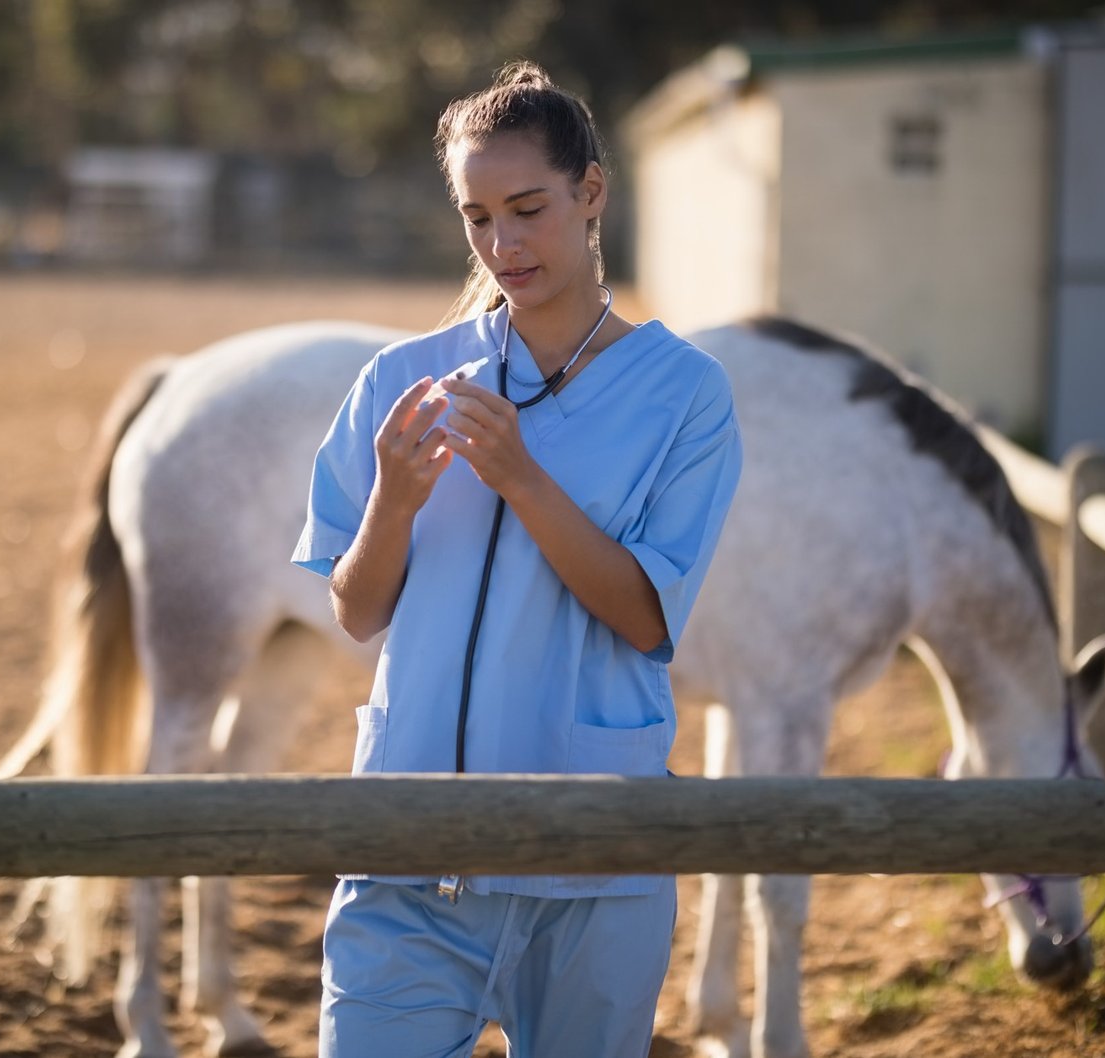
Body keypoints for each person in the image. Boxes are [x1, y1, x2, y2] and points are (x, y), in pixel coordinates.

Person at [291, 60, 743, 1058]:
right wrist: (395, 503)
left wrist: (525, 482)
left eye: (527, 208)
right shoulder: (399, 381)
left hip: (595, 867)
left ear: (590, 193)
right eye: (476, 217)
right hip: (405, 855)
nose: (503, 244)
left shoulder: (686, 395)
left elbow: (643, 615)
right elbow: (356, 609)